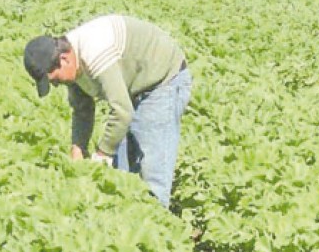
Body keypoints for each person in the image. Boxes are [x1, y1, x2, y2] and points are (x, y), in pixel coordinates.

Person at [23, 14, 192, 209]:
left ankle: (157, 222)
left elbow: (122, 112)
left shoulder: (94, 51)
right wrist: (78, 149)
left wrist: (102, 153)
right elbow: (82, 110)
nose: (56, 85)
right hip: (133, 85)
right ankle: (124, 218)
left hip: (162, 79)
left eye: (55, 80)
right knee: (120, 172)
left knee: (152, 169)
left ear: (64, 59)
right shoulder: (71, 62)